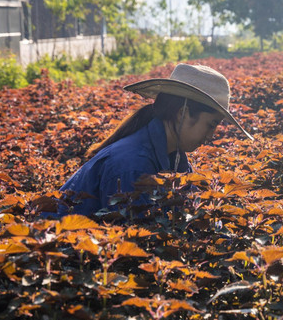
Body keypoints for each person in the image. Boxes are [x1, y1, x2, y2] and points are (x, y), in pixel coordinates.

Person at [58, 63, 252, 216]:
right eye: (211, 124)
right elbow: (135, 239)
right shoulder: (132, 165)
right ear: (183, 113)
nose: (211, 136)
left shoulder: (175, 158)